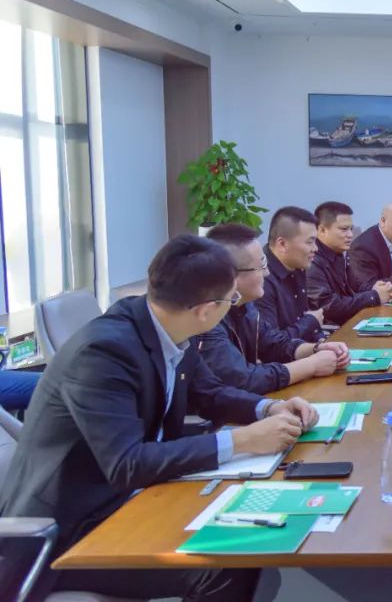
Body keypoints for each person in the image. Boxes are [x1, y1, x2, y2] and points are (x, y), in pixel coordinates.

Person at [0, 235, 317, 601]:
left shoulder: (168, 326)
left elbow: (209, 393)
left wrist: (268, 408)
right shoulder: (103, 353)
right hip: (69, 532)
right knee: (224, 565)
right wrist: (243, 440)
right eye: (230, 300)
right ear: (205, 310)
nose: (233, 307)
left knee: (250, 540)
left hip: (132, 500)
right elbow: (127, 463)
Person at [198, 224, 350, 395]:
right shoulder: (207, 319)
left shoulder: (246, 306)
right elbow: (243, 379)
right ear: (231, 275)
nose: (267, 273)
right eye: (260, 266)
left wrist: (316, 349)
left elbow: (274, 345)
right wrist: (312, 365)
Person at [307, 201, 392, 325]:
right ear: (322, 230)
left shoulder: (337, 254)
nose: (350, 235)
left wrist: (377, 289)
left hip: (348, 322)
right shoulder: (311, 260)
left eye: (351, 229)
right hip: (331, 330)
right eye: (344, 229)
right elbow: (329, 306)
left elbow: (351, 290)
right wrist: (374, 296)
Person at [255, 206, 323, 342]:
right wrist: (310, 322)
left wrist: (320, 341)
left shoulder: (297, 266)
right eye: (310, 242)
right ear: (282, 244)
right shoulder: (260, 279)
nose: (315, 248)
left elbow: (306, 321)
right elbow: (270, 344)